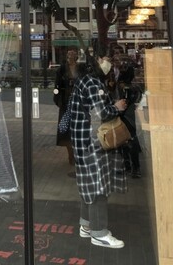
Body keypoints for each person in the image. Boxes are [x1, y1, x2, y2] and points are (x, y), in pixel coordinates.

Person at [59, 50, 127, 249]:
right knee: (98, 187)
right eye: (104, 59)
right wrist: (117, 107)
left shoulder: (83, 80)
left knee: (88, 183)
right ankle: (99, 233)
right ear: (94, 62)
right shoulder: (93, 83)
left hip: (81, 141)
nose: (107, 62)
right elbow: (101, 112)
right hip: (92, 141)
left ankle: (86, 225)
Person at [53, 48, 79, 164]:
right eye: (69, 53)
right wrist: (58, 100)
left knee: (78, 129)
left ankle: (77, 154)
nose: (71, 55)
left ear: (76, 55)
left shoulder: (80, 68)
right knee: (67, 130)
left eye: (73, 53)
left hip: (78, 103)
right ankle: (71, 156)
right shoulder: (62, 69)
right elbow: (57, 86)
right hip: (66, 102)